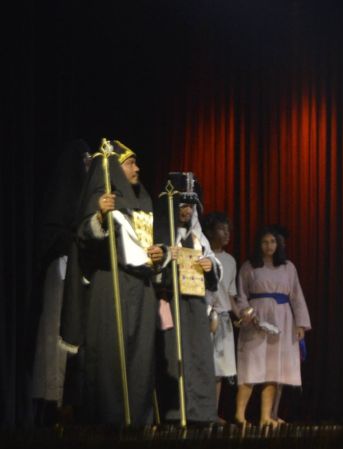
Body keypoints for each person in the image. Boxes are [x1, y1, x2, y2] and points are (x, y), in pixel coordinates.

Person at [74, 140, 166, 426]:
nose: (137, 168)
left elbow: (150, 242)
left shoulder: (143, 200)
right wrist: (101, 215)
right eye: (130, 163)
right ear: (114, 168)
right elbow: (84, 238)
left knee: (141, 354)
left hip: (141, 289)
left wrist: (159, 254)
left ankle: (138, 416)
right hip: (111, 285)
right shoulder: (103, 197)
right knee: (111, 353)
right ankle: (111, 417)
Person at [31, 139, 92, 424]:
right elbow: (53, 237)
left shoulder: (86, 197)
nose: (88, 166)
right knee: (57, 334)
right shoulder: (62, 198)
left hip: (80, 273)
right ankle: (54, 401)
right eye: (85, 161)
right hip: (62, 270)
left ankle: (73, 400)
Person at [155, 173, 220, 424]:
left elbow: (212, 264)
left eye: (191, 206)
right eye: (183, 205)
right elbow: (150, 265)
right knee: (172, 356)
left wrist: (209, 266)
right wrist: (166, 256)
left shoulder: (197, 236)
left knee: (197, 356)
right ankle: (173, 412)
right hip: (170, 304)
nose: (187, 211)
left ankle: (199, 412)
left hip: (194, 307)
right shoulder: (161, 231)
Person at [234, 225, 311, 427]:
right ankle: (240, 415)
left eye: (273, 241)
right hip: (256, 320)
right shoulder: (249, 266)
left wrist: (301, 324)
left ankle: (266, 417)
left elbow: (297, 296)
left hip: (282, 319)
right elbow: (240, 295)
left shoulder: (288, 267)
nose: (269, 246)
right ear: (258, 244)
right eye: (265, 242)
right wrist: (246, 313)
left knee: (274, 368)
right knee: (251, 366)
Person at [201, 211, 237, 414]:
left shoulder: (230, 261)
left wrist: (241, 314)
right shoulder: (202, 256)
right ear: (210, 232)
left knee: (219, 370)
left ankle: (213, 413)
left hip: (222, 319)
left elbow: (230, 295)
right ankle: (202, 412)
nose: (226, 233)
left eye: (228, 229)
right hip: (204, 317)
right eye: (221, 229)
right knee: (204, 365)